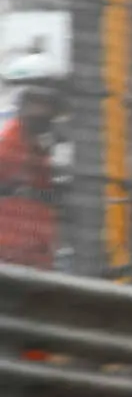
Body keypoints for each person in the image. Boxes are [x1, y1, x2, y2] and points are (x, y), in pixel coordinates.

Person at [0, 51, 62, 269]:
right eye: (44, 103)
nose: (51, 112)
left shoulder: (36, 148)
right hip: (12, 261)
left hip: (33, 260)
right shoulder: (8, 147)